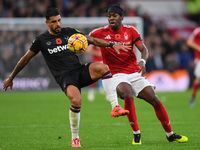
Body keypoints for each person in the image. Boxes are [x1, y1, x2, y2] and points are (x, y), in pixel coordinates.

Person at [2, 7, 130, 147]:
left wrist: (112, 45)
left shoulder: (69, 32)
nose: (58, 24)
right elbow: (26, 59)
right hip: (65, 77)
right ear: (47, 23)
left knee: (103, 68)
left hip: (79, 70)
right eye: (54, 22)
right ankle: (75, 138)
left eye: (59, 20)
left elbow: (91, 40)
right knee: (76, 101)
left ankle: (115, 106)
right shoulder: (41, 40)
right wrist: (11, 77)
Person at [89, 4, 188, 144]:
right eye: (109, 16)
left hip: (134, 73)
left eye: (114, 16)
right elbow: (85, 38)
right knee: (127, 94)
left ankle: (170, 134)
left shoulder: (130, 30)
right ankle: (136, 134)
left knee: (155, 99)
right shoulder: (100, 32)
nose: (111, 18)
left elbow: (144, 49)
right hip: (116, 75)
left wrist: (142, 61)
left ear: (121, 17)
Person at [187, 27, 200, 107]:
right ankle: (192, 97)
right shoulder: (198, 31)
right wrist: (199, 48)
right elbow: (189, 42)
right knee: (198, 79)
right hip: (199, 59)